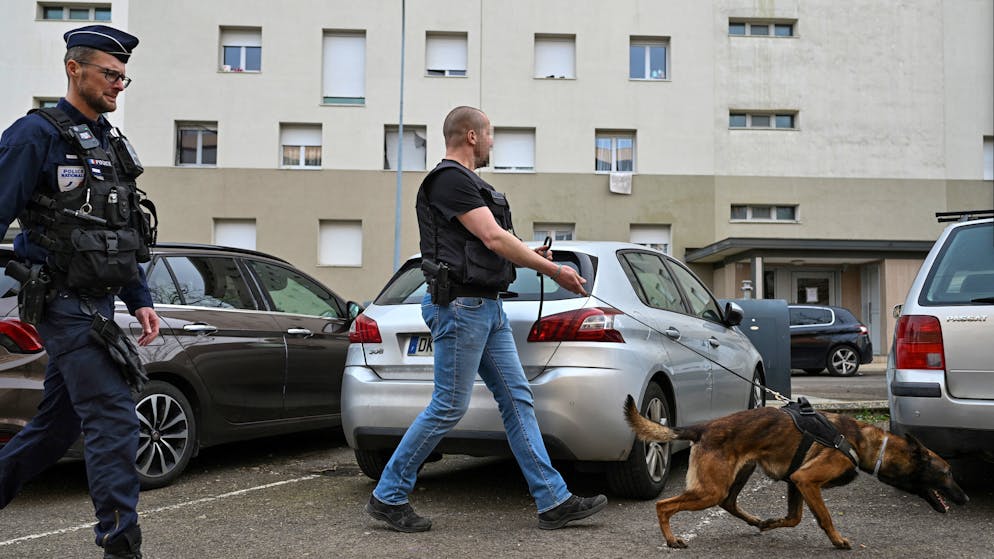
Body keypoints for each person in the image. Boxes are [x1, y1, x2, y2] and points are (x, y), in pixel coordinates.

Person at [365, 106, 607, 532]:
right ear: (472, 136)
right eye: (490, 134)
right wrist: (552, 271)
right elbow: (492, 236)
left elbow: (492, 240)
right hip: (461, 308)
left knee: (517, 399)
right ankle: (389, 495)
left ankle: (553, 501)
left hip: (485, 307)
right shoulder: (449, 179)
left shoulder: (470, 184)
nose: (493, 142)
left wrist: (533, 255)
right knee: (448, 406)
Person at [0, 25, 159, 559]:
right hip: (63, 303)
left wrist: (139, 297)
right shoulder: (34, 134)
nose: (119, 84)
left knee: (55, 427)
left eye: (123, 76)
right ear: (74, 69)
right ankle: (121, 545)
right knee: (114, 416)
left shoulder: (109, 142)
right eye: (109, 74)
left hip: (101, 304)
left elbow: (123, 229)